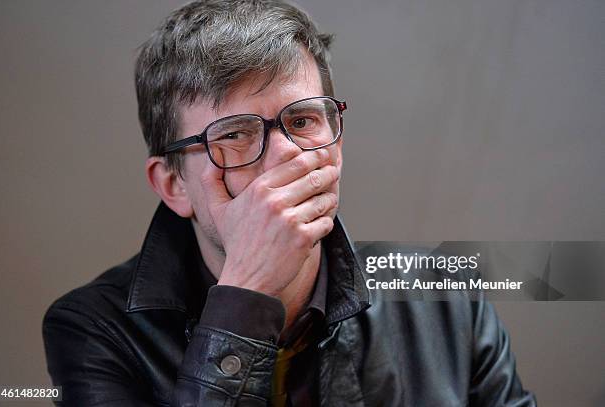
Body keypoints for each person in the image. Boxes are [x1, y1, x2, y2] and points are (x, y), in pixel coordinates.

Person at [42, 0, 536, 405]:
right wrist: (246, 294)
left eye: (302, 121)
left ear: (336, 145)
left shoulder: (444, 294)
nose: (288, 154)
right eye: (234, 134)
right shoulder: (93, 330)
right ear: (174, 185)